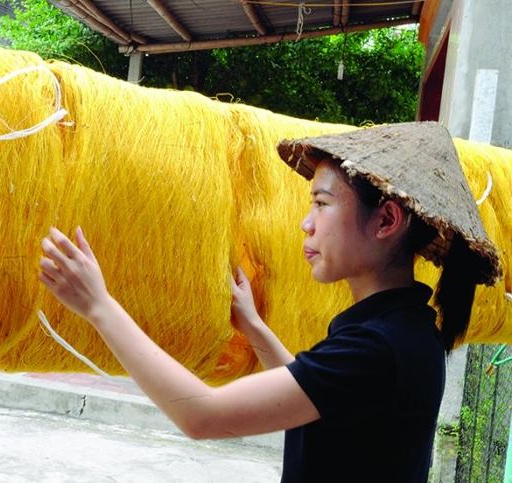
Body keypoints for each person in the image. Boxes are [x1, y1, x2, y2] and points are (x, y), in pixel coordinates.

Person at [37, 122, 501, 482]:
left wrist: (99, 306)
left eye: (322, 203)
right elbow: (314, 395)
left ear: (386, 221)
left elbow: (202, 416)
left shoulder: (378, 347)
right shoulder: (403, 329)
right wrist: (254, 326)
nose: (306, 223)